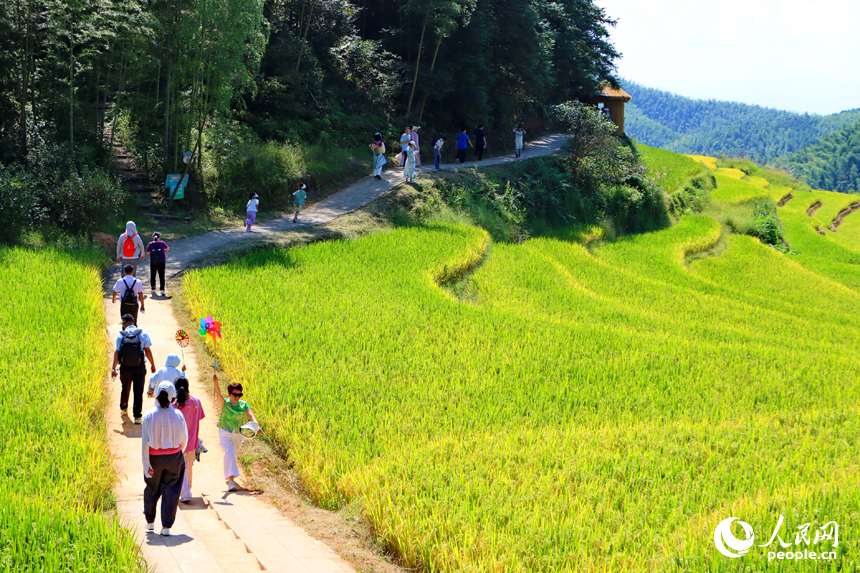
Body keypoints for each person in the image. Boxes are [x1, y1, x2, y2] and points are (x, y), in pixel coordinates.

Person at [141, 381, 188, 537]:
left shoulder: (148, 415)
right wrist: (177, 451)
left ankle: (149, 522)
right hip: (174, 457)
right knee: (171, 490)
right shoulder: (178, 414)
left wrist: (146, 464)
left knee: (152, 488)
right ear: (172, 395)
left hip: (154, 458)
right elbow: (184, 439)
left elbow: (144, 443)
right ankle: (166, 527)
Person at [213, 373, 262, 492]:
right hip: (225, 432)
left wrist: (256, 426)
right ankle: (231, 482)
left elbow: (251, 416)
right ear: (229, 394)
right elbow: (218, 394)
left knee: (233, 456)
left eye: (239, 395)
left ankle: (231, 478)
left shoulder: (243, 404)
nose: (237, 397)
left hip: (238, 435)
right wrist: (215, 382)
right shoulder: (225, 403)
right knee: (229, 453)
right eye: (234, 394)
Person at [111, 314, 156, 425]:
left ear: (125, 324)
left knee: (125, 387)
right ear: (134, 322)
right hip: (139, 367)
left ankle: (124, 408)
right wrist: (152, 365)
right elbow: (148, 351)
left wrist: (113, 368)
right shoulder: (143, 333)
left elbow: (117, 352)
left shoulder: (120, 335)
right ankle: (137, 417)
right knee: (138, 391)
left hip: (125, 367)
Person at [172, 377, 204, 503]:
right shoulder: (196, 402)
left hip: (178, 443)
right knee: (188, 467)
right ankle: (187, 489)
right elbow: (199, 417)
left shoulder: (174, 406)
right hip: (192, 443)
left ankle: (185, 492)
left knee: (180, 468)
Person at [146, 232, 169, 296]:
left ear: (153, 237)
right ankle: (162, 289)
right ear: (159, 237)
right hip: (162, 261)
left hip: (153, 261)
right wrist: (162, 251)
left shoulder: (150, 244)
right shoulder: (162, 243)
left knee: (153, 274)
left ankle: (153, 288)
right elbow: (167, 249)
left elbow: (147, 253)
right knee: (161, 275)